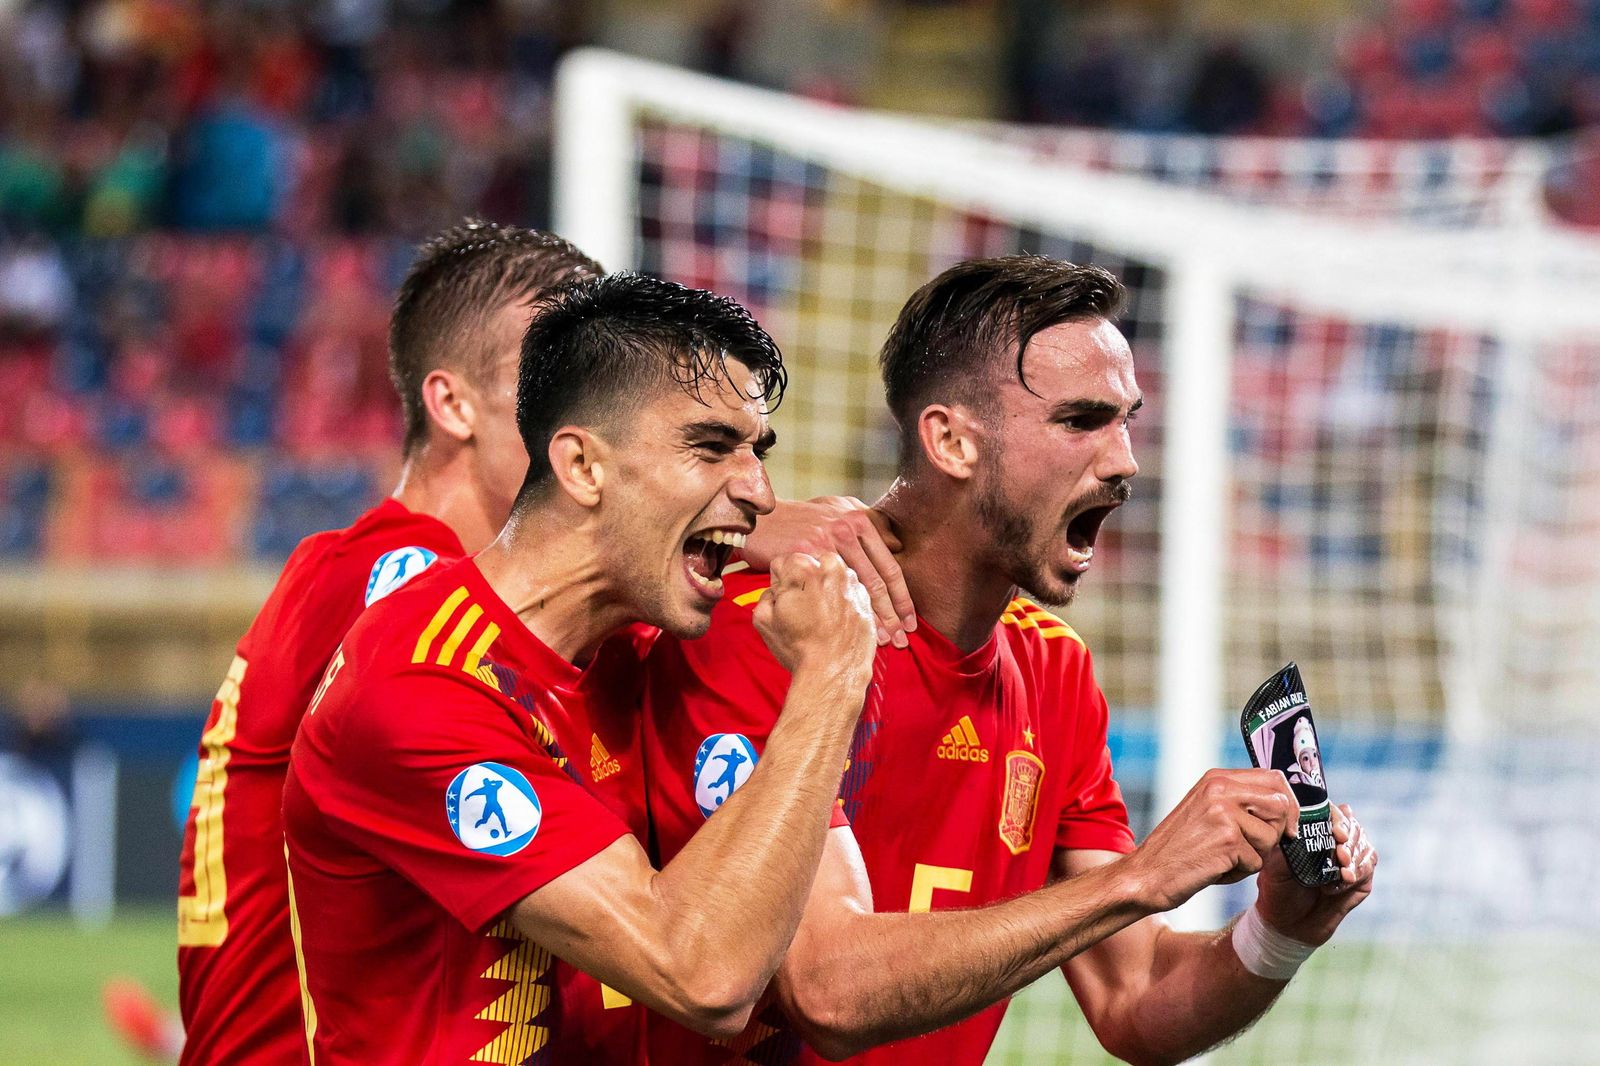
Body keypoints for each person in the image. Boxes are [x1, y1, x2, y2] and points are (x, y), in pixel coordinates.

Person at [166, 219, 915, 1065]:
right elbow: (697, 970)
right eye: (543, 376)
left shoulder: (524, 622)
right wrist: (764, 559)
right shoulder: (396, 588)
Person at [643, 255, 1379, 1064]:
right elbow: (828, 988)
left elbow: (1132, 999)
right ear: (952, 440)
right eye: (1081, 421)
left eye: (1127, 420)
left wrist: (1276, 933)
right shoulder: (770, 629)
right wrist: (1140, 877)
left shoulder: (1054, 671)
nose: (1125, 459)